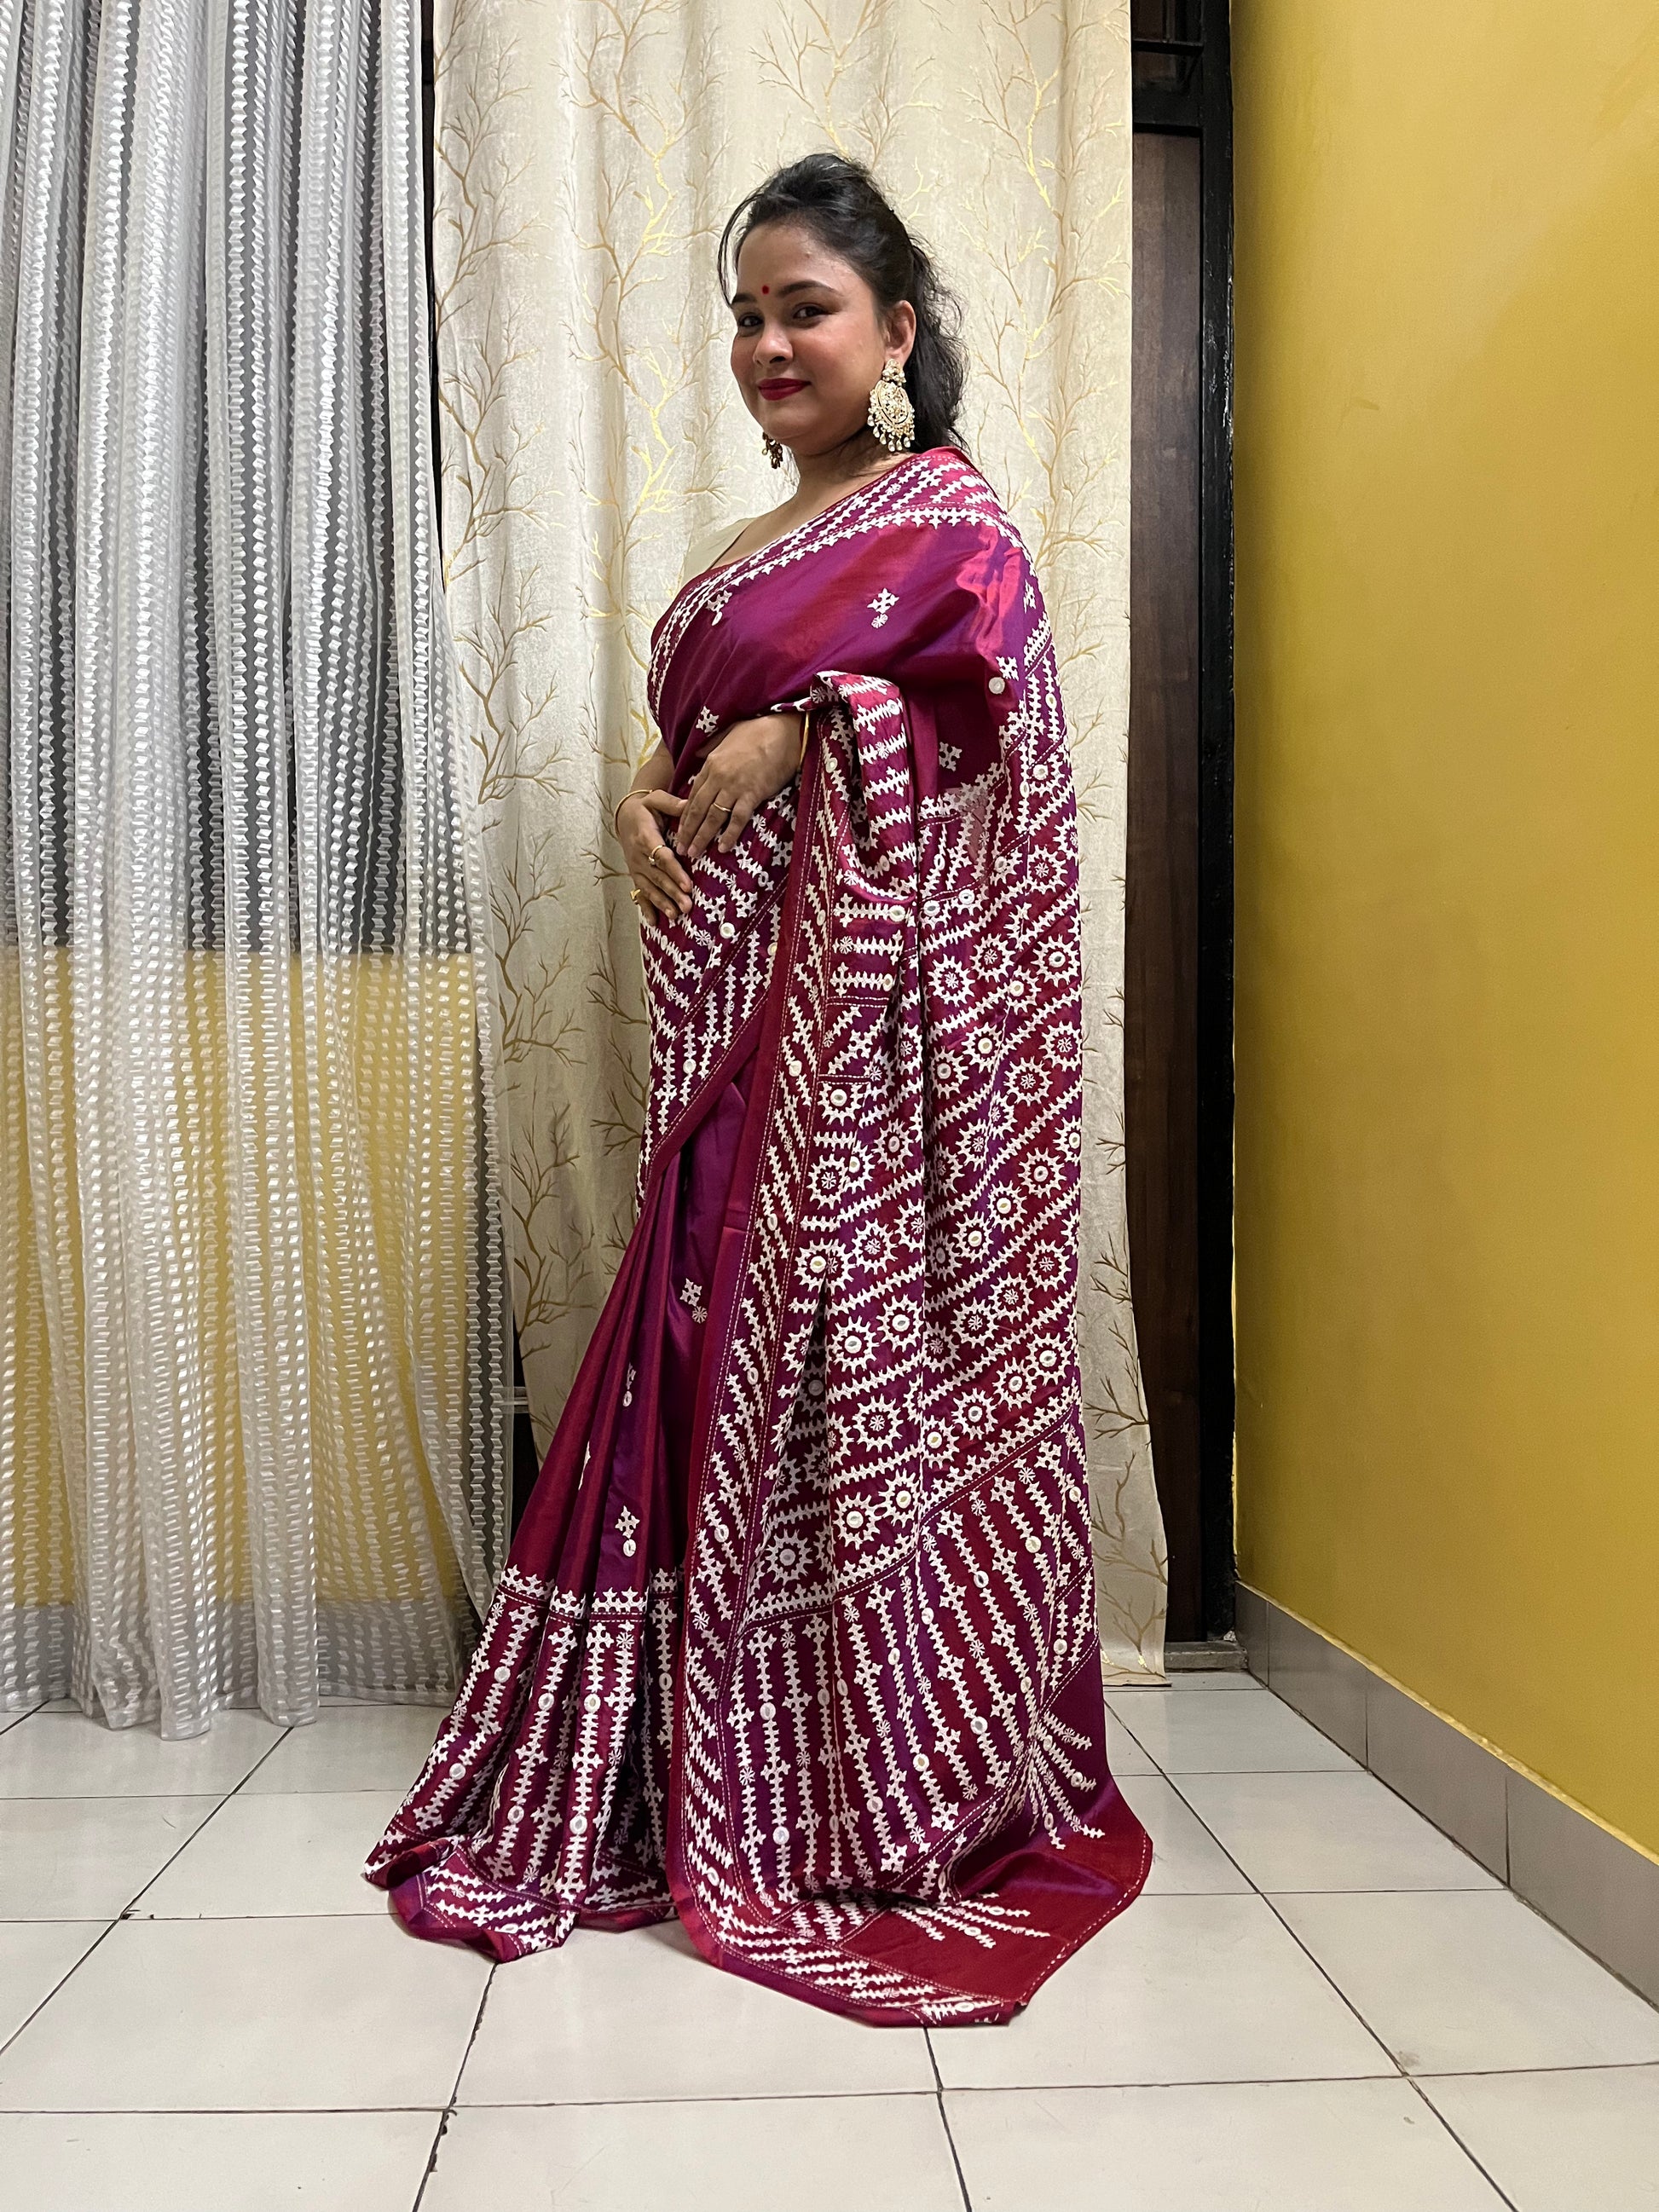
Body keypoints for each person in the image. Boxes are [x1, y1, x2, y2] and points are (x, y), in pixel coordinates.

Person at [366, 152, 1150, 2025]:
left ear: (893, 330)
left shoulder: (948, 523)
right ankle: (685, 1750)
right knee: (706, 1352)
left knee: (800, 1365)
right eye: (746, 312)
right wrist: (645, 778)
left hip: (869, 1070)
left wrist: (819, 722)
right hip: (731, 1034)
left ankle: (855, 1772)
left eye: (804, 307)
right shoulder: (744, 548)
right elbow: (689, 739)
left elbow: (981, 747)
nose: (768, 342)